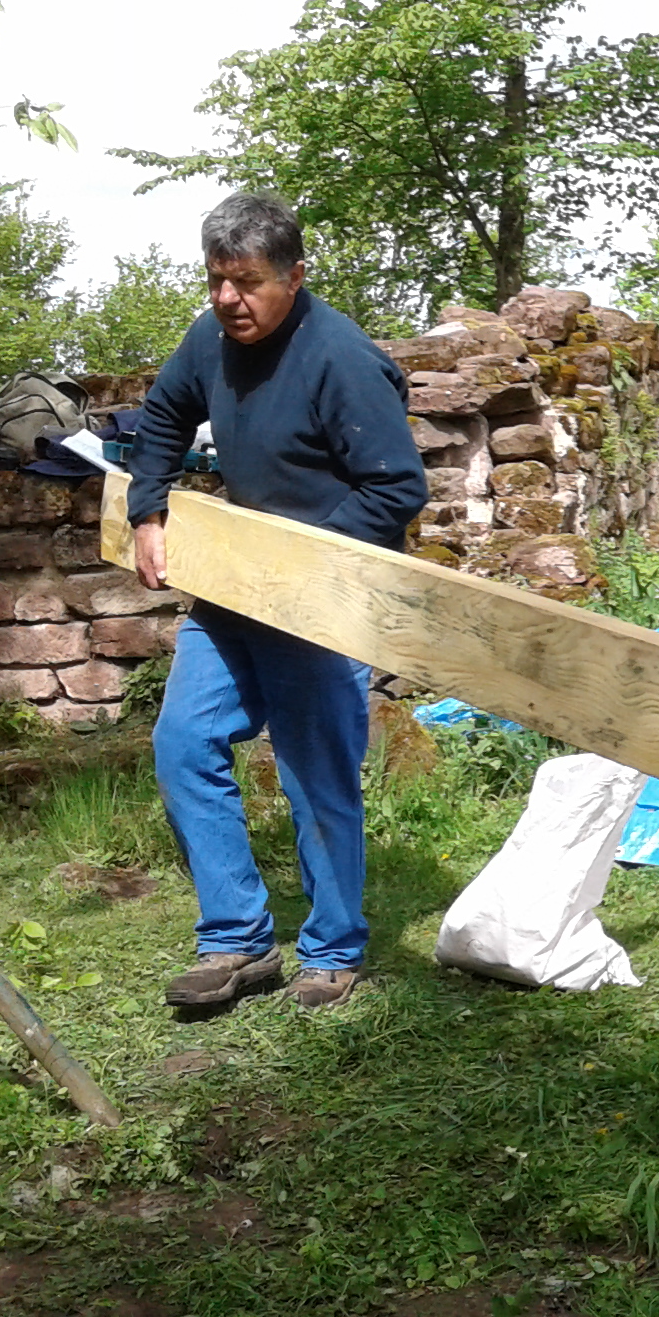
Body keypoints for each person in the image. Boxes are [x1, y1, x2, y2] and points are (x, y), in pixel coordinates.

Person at [129, 192, 428, 1013]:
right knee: (183, 743)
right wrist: (148, 510)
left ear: (294, 276)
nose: (229, 299)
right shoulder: (209, 339)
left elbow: (396, 490)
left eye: (248, 282)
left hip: (320, 598)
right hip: (234, 590)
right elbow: (163, 415)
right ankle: (237, 939)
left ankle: (332, 949)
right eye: (216, 281)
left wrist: (295, 563)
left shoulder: (341, 359)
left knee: (312, 769)